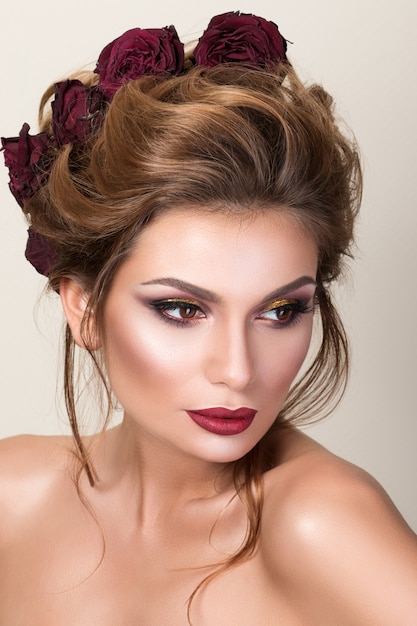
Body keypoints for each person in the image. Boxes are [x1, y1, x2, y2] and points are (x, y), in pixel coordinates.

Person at [1, 11, 417, 625]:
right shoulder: (11, 496)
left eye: (280, 310)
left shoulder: (323, 524)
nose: (238, 369)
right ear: (82, 305)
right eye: (182, 309)